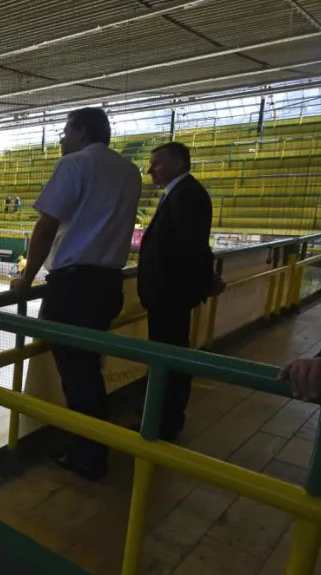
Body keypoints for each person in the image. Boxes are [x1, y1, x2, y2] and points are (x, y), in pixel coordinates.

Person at [10, 107, 142, 481]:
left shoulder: (75, 164)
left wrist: (26, 279)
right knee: (88, 368)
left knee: (78, 373)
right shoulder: (129, 171)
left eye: (65, 132)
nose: (61, 139)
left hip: (74, 285)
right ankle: (91, 444)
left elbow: (46, 225)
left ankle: (88, 453)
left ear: (82, 132)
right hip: (107, 285)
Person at [137, 142, 225, 441]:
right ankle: (159, 413)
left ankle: (165, 422)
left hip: (169, 295)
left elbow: (192, 247)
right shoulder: (181, 192)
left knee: (169, 357)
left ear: (177, 162)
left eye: (157, 163)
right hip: (167, 294)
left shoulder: (187, 194)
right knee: (166, 355)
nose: (150, 169)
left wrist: (205, 280)